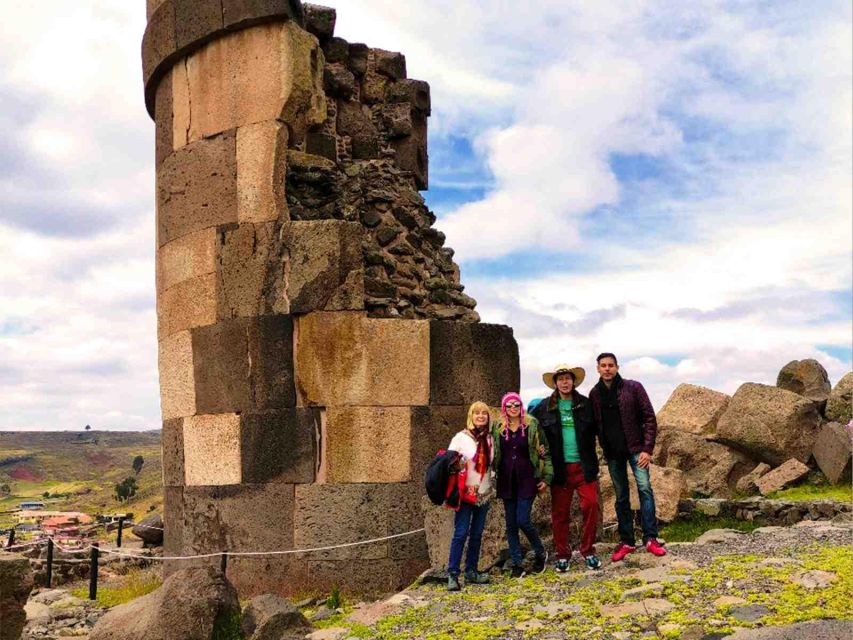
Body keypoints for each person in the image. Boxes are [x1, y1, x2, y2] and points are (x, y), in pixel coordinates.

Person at [589, 352, 666, 561]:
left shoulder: (633, 387)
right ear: (598, 369)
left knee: (644, 489)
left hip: (636, 449)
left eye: (610, 365)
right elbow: (594, 425)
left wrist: (647, 449)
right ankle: (627, 541)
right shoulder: (594, 394)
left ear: (617, 367)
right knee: (621, 495)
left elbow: (650, 418)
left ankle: (650, 538)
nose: (607, 369)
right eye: (603, 365)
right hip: (613, 453)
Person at [530, 364, 601, 572]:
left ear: (573, 381)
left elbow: (599, 429)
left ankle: (588, 550)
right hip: (559, 469)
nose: (564, 382)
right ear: (555, 382)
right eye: (560, 379)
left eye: (567, 378)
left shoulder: (585, 405)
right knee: (560, 513)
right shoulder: (544, 407)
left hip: (584, 466)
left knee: (591, 505)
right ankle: (562, 554)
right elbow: (533, 432)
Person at [492, 391, 553, 577]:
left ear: (521, 406)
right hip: (506, 479)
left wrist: (546, 478)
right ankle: (517, 564)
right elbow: (491, 450)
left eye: (516, 405)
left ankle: (540, 552)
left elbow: (545, 452)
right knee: (510, 524)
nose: (513, 408)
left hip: (527, 478)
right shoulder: (498, 428)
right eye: (509, 405)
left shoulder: (532, 425)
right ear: (504, 408)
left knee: (522, 520)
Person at [446, 401, 495, 590]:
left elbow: (491, 463)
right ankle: (453, 573)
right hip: (465, 493)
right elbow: (448, 462)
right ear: (471, 416)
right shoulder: (460, 438)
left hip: (483, 492)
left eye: (484, 413)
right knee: (460, 533)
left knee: (476, 534)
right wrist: (459, 464)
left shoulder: (489, 439)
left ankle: (471, 571)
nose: (481, 416)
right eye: (477, 413)